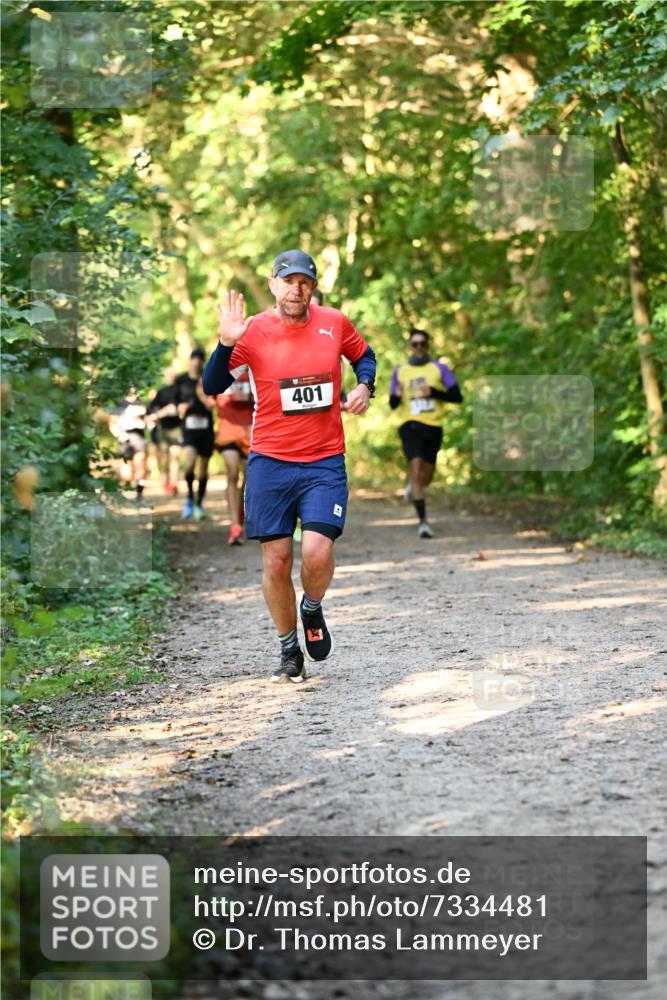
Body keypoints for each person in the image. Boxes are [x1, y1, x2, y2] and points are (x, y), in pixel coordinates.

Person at [203, 249, 376, 683]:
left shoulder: (333, 322)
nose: (296, 289)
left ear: (312, 288)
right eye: (289, 281)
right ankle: (288, 649)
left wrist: (365, 385)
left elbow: (365, 355)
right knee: (276, 561)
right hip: (270, 464)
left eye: (305, 282)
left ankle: (312, 608)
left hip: (324, 461)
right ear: (273, 284)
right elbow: (212, 384)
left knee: (318, 550)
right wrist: (226, 343)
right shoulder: (254, 330)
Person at [389, 327, 462, 538]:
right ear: (410, 346)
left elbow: (457, 396)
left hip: (433, 426)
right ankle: (423, 522)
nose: (418, 347)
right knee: (416, 465)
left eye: (422, 344)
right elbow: (393, 403)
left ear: (427, 346)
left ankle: (414, 486)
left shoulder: (439, 369)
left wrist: (435, 392)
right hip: (409, 425)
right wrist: (397, 394)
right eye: (415, 344)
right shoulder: (400, 371)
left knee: (426, 476)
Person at [175, 348, 216, 521]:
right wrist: (179, 408)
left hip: (206, 428)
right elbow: (174, 401)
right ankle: (190, 498)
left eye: (200, 359)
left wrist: (202, 393)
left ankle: (199, 503)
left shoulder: (209, 378)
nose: (197, 362)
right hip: (189, 428)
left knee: (203, 468)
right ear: (190, 360)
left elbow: (212, 403)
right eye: (194, 359)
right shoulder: (181, 380)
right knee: (190, 463)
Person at [214, 371, 253, 545]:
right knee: (232, 472)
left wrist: (249, 397)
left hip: (250, 430)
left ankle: (239, 512)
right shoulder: (222, 366)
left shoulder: (254, 366)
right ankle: (235, 526)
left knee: (248, 477)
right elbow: (206, 388)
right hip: (227, 429)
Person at [108, 385, 149, 504]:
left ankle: (139, 494)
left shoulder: (142, 403)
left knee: (141, 464)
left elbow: (149, 418)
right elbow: (111, 423)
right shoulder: (119, 404)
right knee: (127, 471)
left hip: (139, 436)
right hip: (124, 437)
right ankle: (128, 493)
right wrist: (120, 435)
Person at [147, 367, 182, 495]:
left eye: (173, 374)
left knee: (175, 455)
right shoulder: (161, 392)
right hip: (163, 428)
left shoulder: (181, 391)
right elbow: (150, 409)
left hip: (177, 428)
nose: (171, 376)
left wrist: (177, 409)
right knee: (165, 456)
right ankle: (165, 480)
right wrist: (160, 413)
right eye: (169, 374)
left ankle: (174, 483)